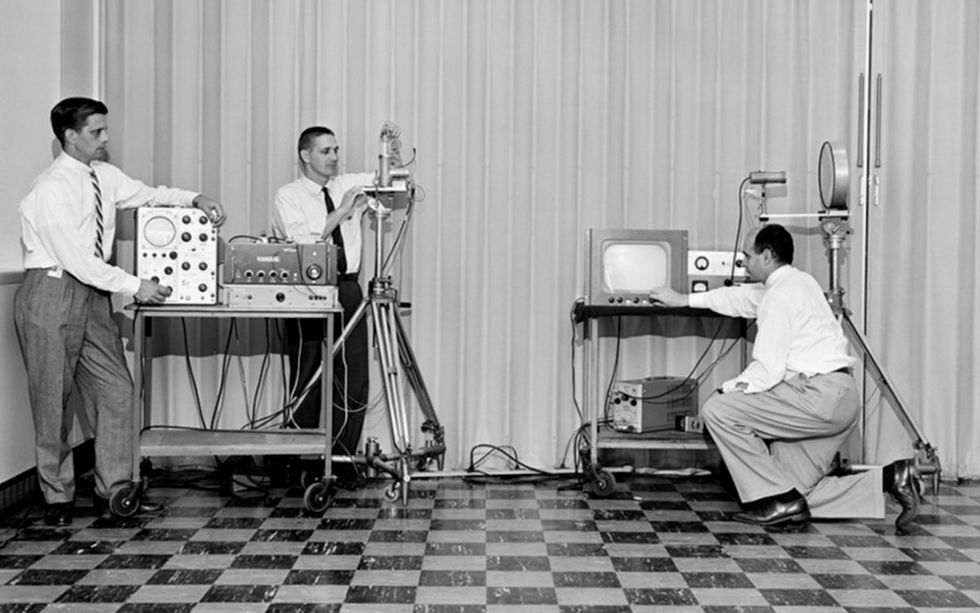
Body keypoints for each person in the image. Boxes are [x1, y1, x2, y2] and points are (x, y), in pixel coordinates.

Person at [15, 97, 226, 526]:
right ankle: (57, 499)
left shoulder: (103, 176)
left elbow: (148, 194)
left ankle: (114, 492)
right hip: (52, 291)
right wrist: (136, 285)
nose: (106, 138)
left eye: (105, 130)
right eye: (96, 132)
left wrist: (194, 198)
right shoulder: (50, 188)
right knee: (52, 402)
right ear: (70, 136)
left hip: (93, 295)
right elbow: (75, 258)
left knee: (117, 392)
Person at [649, 224, 920, 531]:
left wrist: (726, 391)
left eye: (747, 255)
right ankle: (893, 477)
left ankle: (778, 502)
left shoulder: (778, 297)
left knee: (718, 411)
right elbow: (738, 298)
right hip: (842, 399)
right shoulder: (799, 283)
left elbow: (767, 371)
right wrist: (683, 299)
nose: (743, 262)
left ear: (766, 256)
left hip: (815, 398)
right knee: (792, 492)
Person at [272, 126, 376, 477]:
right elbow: (304, 242)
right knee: (308, 372)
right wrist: (345, 210)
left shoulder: (347, 183)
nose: (334, 157)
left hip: (347, 288)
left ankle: (342, 459)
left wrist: (388, 144)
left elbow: (389, 175)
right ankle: (300, 460)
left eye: (336, 150)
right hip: (307, 290)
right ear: (305, 156)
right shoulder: (289, 195)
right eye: (325, 151)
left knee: (353, 374)